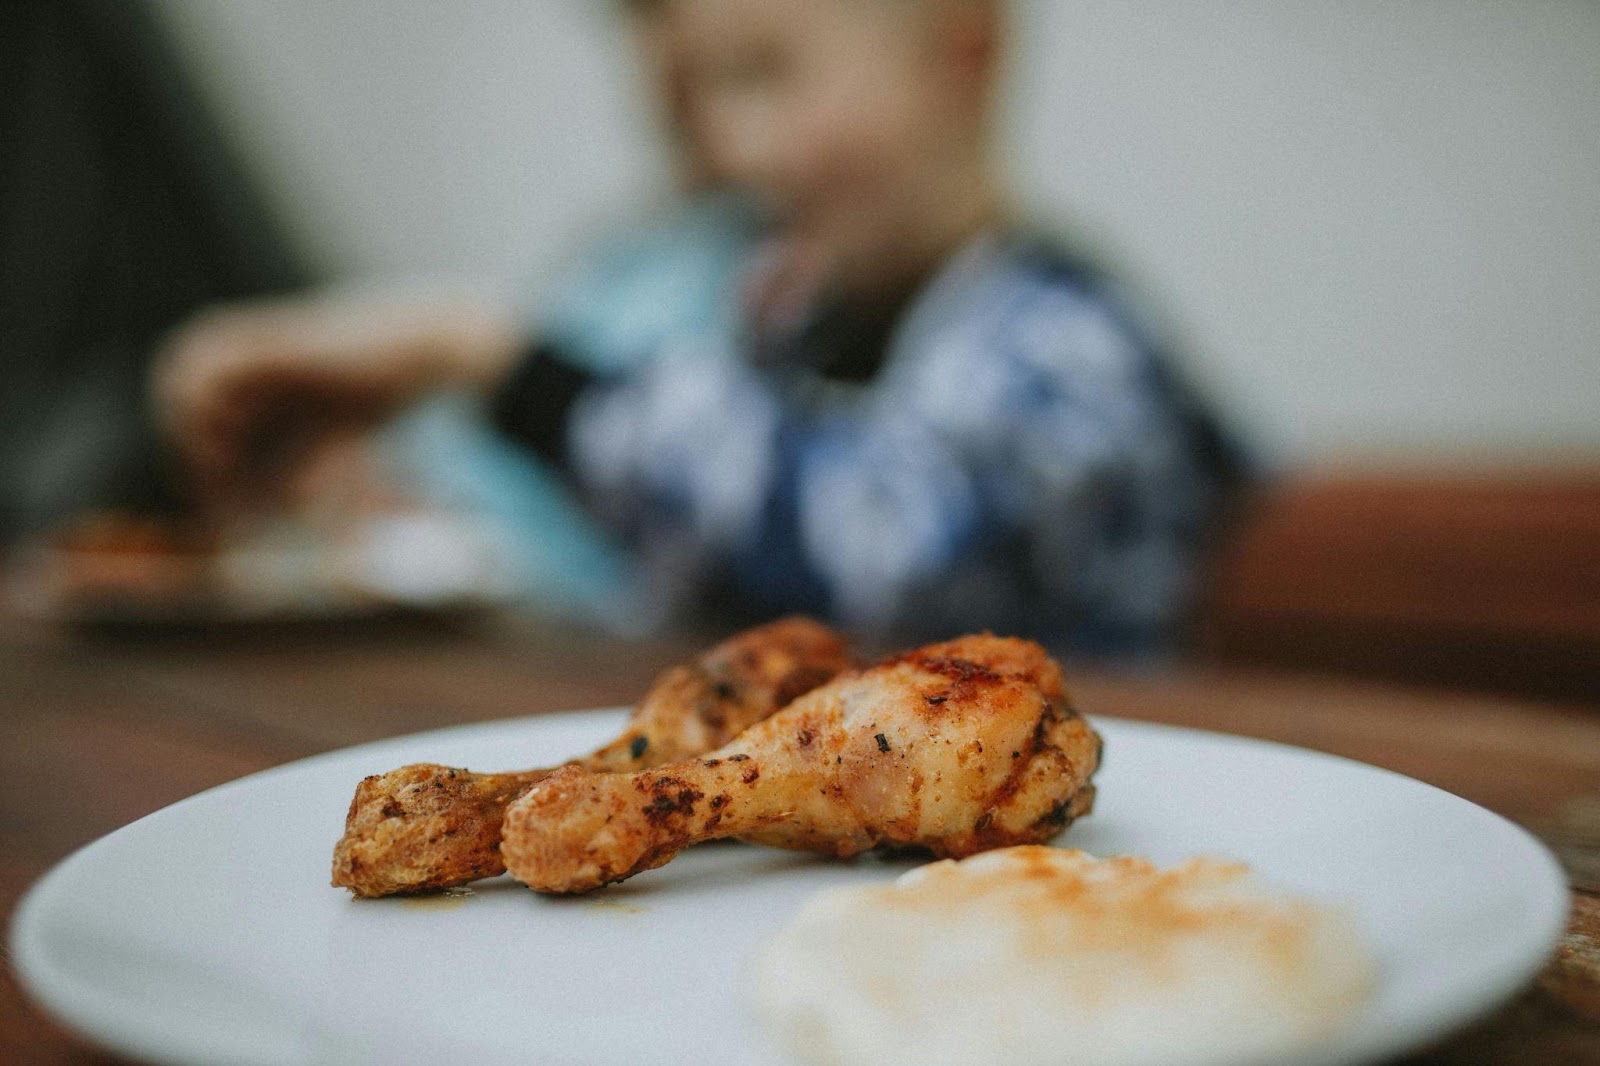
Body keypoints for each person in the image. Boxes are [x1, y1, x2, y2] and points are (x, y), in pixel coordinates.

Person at [155, 0, 1242, 654]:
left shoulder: (1066, 347)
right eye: (706, 95)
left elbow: (866, 542)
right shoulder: (808, 328)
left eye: (763, 73)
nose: (728, 149)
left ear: (961, 50)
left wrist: (488, 358)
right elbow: (676, 571)